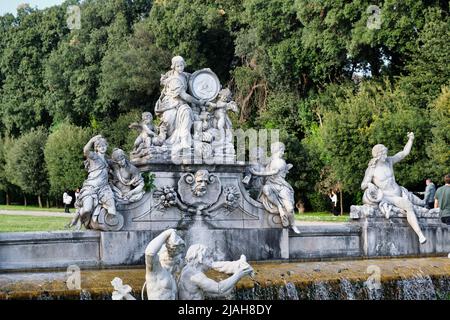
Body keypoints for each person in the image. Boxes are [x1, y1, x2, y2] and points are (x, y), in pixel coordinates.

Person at [361, 132, 427, 244]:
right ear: (378, 155)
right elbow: (363, 185)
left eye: (386, 154)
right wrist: (369, 184)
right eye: (384, 154)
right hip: (389, 197)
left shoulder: (389, 161)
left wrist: (410, 140)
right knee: (408, 206)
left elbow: (404, 153)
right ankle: (420, 235)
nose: (386, 156)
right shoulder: (372, 169)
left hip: (400, 191)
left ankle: (426, 207)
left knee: (421, 203)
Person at [155, 56, 207, 155]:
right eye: (178, 66)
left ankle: (186, 140)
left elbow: (195, 77)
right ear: (173, 67)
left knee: (187, 110)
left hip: (182, 104)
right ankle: (182, 140)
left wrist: (204, 72)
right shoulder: (174, 80)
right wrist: (198, 102)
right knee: (185, 111)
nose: (180, 68)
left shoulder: (184, 75)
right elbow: (184, 96)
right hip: (172, 104)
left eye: (182, 65)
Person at [67, 135, 117, 230]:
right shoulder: (94, 156)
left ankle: (109, 227)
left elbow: (118, 164)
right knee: (87, 209)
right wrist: (91, 140)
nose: (102, 147)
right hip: (91, 187)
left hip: (104, 189)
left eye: (104, 145)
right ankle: (78, 215)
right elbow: (85, 150)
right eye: (99, 146)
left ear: (106, 146)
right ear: (96, 148)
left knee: (112, 209)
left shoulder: (107, 160)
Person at [250, 142, 300, 234]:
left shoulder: (281, 162)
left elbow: (271, 173)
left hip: (281, 186)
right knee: (266, 189)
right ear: (276, 150)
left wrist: (256, 173)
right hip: (271, 185)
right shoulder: (270, 160)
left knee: (290, 209)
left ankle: (293, 225)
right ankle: (280, 207)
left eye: (283, 150)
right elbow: (260, 163)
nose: (283, 153)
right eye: (282, 150)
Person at [177, 244, 253, 300]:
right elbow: (219, 288)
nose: (212, 260)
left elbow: (223, 292)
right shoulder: (196, 276)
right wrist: (239, 273)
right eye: (208, 256)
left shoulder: (187, 269)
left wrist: (236, 275)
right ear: (200, 258)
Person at [143, 228, 185, 300]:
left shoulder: (172, 277)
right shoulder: (154, 271)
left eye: (174, 257)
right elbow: (150, 253)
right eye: (168, 254)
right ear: (160, 255)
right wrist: (167, 233)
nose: (171, 258)